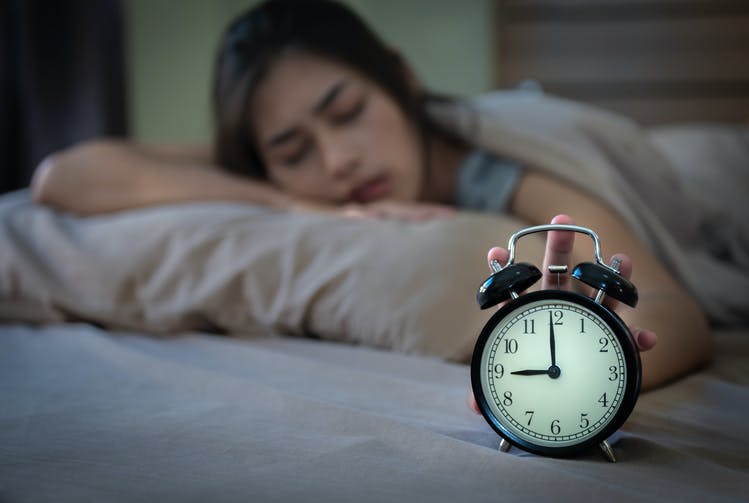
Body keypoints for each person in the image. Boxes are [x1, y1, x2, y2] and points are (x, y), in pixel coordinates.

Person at [30, 0, 712, 400]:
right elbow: (64, 177)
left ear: (400, 79)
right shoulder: (282, 176)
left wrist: (595, 380)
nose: (336, 160)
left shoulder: (508, 172)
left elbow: (671, 303)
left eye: (348, 110)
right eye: (293, 151)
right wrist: (292, 203)